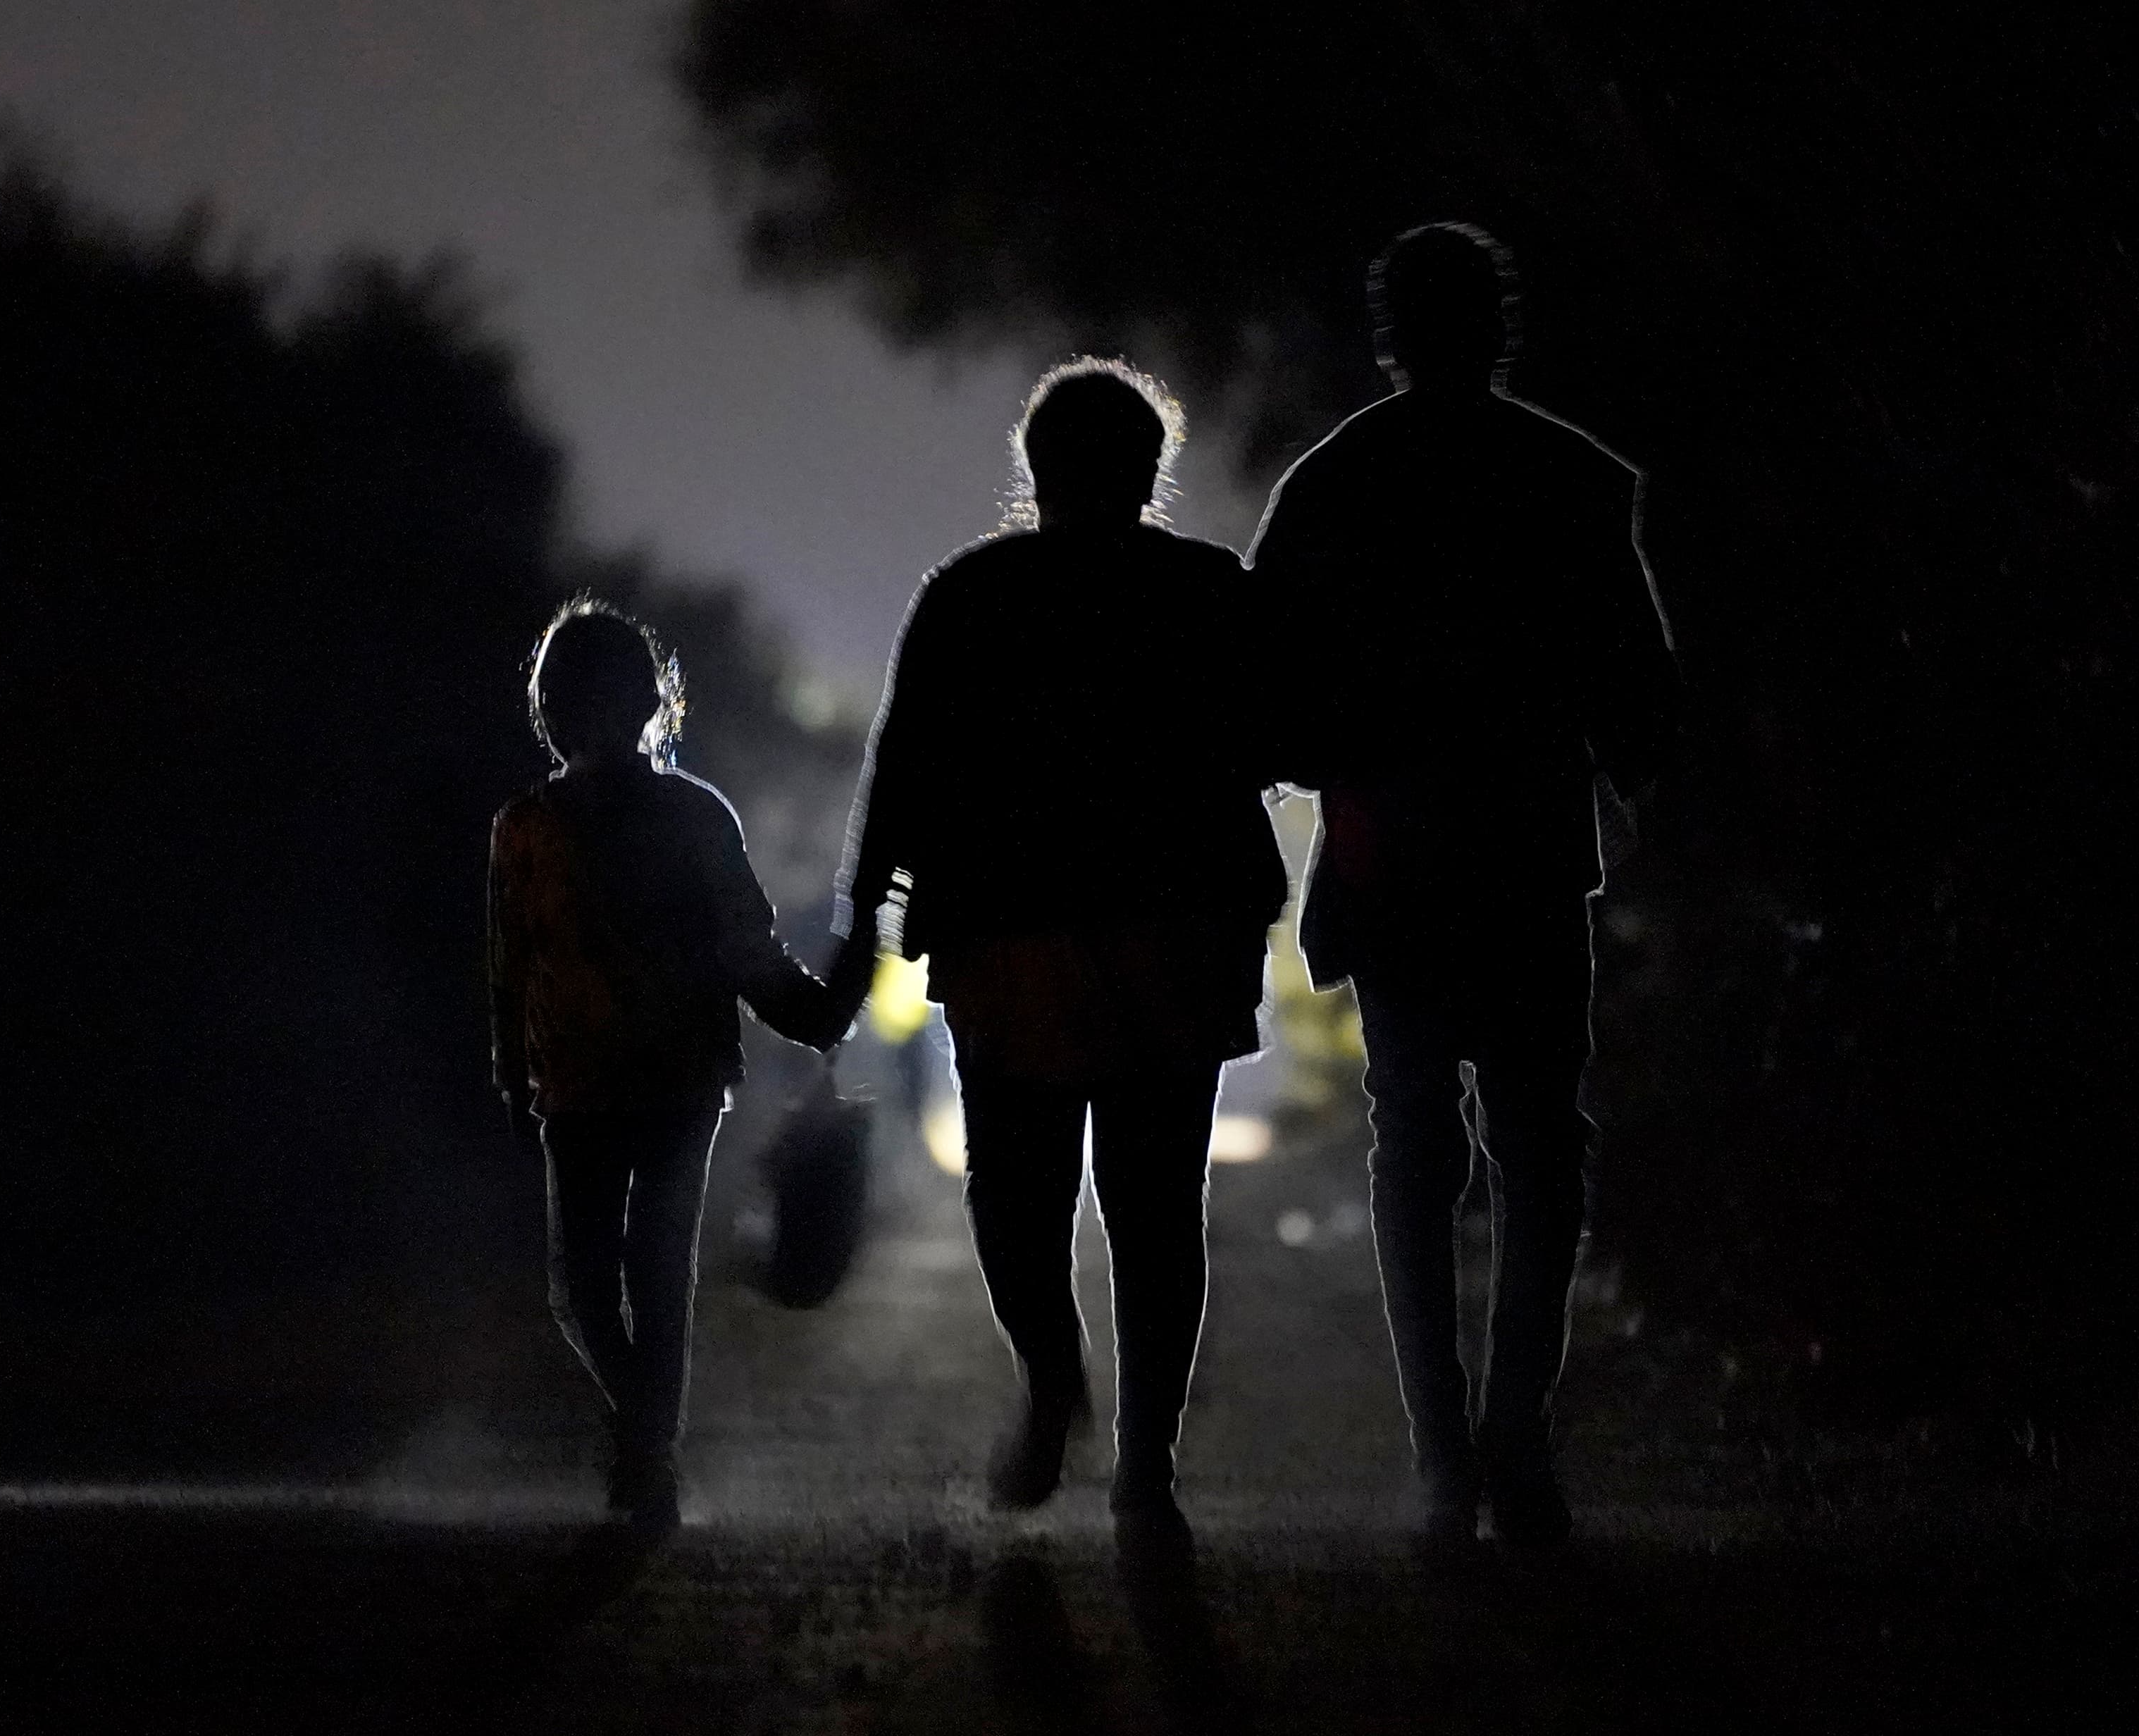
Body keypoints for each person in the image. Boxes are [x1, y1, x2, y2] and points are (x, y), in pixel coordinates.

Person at [1248, 223, 1679, 1548]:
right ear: (1500, 322)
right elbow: (1645, 720)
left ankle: (1450, 1447)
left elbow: (1268, 701)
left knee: (1418, 1141)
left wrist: (1346, 753)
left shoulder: (1332, 485)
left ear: (1391, 331)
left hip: (1397, 866)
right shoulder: (1574, 480)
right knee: (1538, 1145)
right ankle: (1509, 1440)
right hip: (1529, 865)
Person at [833, 360, 1287, 1539]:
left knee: (1017, 1199)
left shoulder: (971, 594)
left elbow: (904, 768)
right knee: (1154, 1206)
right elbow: (1279, 739)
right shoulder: (1208, 591)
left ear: (1034, 470)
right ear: (1153, 473)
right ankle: (1148, 1466)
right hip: (1175, 939)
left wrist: (859, 931)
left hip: (1007, 940)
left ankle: (1053, 1382)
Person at [488, 599, 873, 1534]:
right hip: (654, 1080)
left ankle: (644, 1441)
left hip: (615, 1083)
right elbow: (749, 950)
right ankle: (648, 1439)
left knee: (596, 1280)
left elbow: (512, 963)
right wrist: (818, 1010)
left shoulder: (534, 825)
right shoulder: (667, 817)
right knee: (642, 1274)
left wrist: (511, 1067)